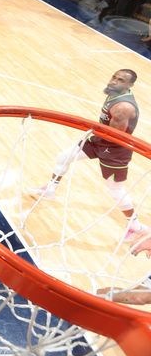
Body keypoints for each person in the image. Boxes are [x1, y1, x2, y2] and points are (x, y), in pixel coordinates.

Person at [30, 70, 147, 241]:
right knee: (64, 157)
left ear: (130, 85)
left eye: (120, 80)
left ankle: (136, 226)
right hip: (100, 141)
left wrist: (92, 129)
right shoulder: (115, 94)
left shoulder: (123, 107)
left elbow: (114, 136)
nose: (114, 81)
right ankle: (51, 188)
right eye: (114, 77)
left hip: (115, 151)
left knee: (115, 190)